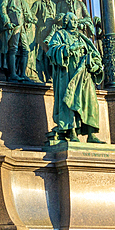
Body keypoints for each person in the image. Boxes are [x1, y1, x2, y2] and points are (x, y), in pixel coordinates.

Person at [46, 12, 104, 144]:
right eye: (71, 19)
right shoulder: (59, 35)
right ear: (66, 22)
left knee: (90, 102)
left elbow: (95, 55)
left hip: (84, 75)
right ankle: (71, 131)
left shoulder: (83, 38)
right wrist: (69, 49)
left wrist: (94, 65)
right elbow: (52, 51)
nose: (75, 21)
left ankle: (91, 133)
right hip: (67, 74)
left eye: (76, 19)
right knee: (69, 102)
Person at [0, 0, 36, 81]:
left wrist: (32, 20)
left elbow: (25, 13)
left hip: (21, 26)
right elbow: (2, 7)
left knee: (26, 49)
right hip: (13, 25)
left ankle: (23, 74)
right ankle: (12, 74)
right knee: (13, 48)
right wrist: (6, 21)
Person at [31, 0, 58, 83]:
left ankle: (52, 75)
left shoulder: (54, 5)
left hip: (52, 31)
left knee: (51, 54)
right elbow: (31, 14)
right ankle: (44, 76)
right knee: (43, 54)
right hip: (42, 32)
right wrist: (37, 22)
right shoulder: (38, 3)